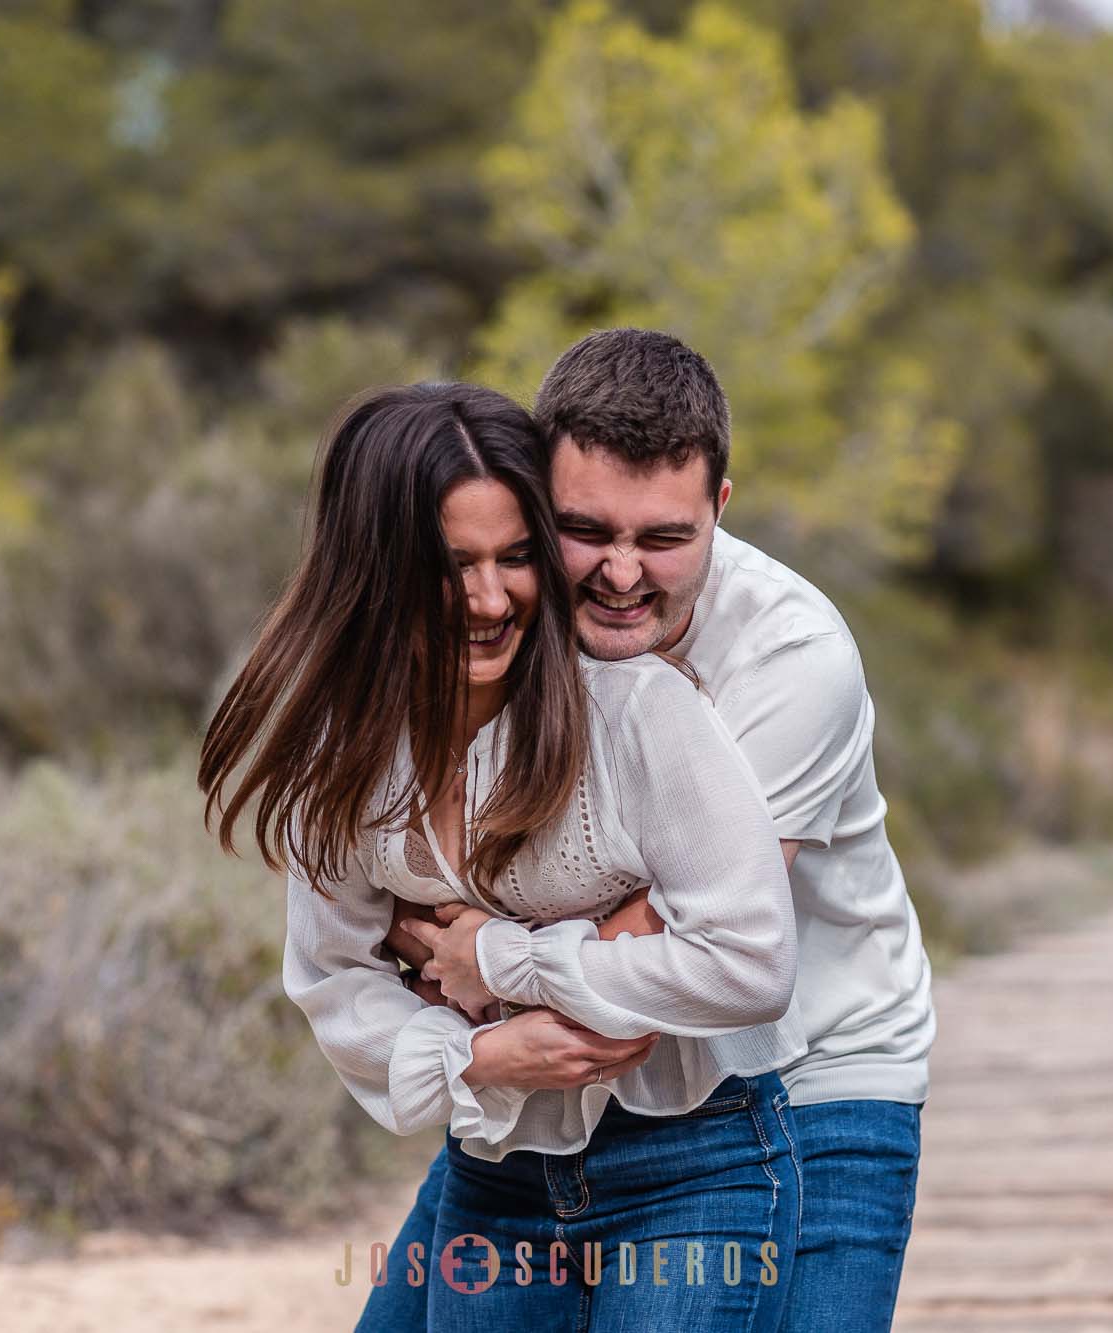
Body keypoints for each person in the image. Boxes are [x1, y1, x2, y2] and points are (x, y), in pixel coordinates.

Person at [198, 381, 810, 1330]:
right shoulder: (345, 751)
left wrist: (503, 958)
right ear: (379, 571)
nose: (490, 599)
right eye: (453, 565)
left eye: (518, 557)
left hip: (691, 1166)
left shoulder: (641, 713)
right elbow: (331, 977)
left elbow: (751, 959)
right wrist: (480, 1053)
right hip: (494, 1181)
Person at [373, 330, 936, 1332]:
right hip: (575, 1082)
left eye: (664, 538)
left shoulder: (791, 657)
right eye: (585, 529)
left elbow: (676, 931)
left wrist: (478, 955)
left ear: (718, 508)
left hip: (815, 1070)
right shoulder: (513, 615)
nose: (622, 573)